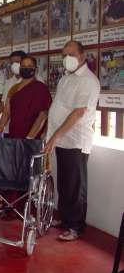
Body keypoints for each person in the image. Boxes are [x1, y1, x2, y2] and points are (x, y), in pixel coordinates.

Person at [44, 41, 100, 242]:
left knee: (76, 186)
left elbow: (78, 112)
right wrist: (53, 135)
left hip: (76, 141)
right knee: (65, 183)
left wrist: (56, 135)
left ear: (82, 55)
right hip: (61, 139)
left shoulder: (87, 80)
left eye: (71, 54)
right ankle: (66, 220)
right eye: (64, 54)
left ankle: (76, 227)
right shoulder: (66, 79)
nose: (67, 58)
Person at [0, 56, 52, 139]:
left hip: (33, 138)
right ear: (20, 68)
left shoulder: (40, 88)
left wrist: (30, 137)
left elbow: (43, 115)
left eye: (29, 66)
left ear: (35, 69)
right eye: (23, 66)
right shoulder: (14, 88)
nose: (26, 68)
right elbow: (6, 111)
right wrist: (0, 127)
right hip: (14, 135)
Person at [0, 51, 26, 128]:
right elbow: (3, 104)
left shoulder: (36, 81)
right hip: (10, 126)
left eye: (17, 62)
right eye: (12, 63)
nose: (14, 65)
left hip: (28, 127)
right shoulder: (9, 82)